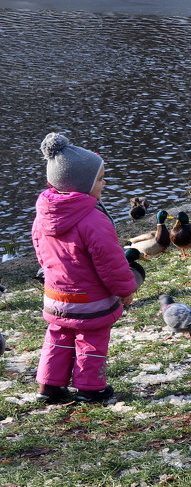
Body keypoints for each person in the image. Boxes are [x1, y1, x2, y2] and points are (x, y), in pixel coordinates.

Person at [31, 133, 138, 404]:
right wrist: (125, 288)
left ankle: (49, 386)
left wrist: (51, 272)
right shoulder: (93, 219)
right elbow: (111, 263)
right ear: (82, 184)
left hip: (56, 295)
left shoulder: (44, 212)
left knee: (58, 335)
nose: (103, 185)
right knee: (92, 338)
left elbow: (40, 249)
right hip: (90, 299)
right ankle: (90, 388)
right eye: (100, 179)